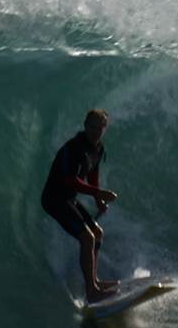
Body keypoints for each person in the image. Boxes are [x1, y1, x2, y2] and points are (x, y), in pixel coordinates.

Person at [43, 108, 121, 301]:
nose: (96, 131)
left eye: (100, 128)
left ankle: (94, 282)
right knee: (87, 238)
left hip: (69, 199)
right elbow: (71, 181)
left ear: (105, 128)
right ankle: (91, 291)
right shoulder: (74, 148)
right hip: (54, 199)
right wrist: (99, 193)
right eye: (92, 127)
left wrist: (98, 200)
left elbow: (93, 173)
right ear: (85, 126)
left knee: (97, 233)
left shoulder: (98, 148)